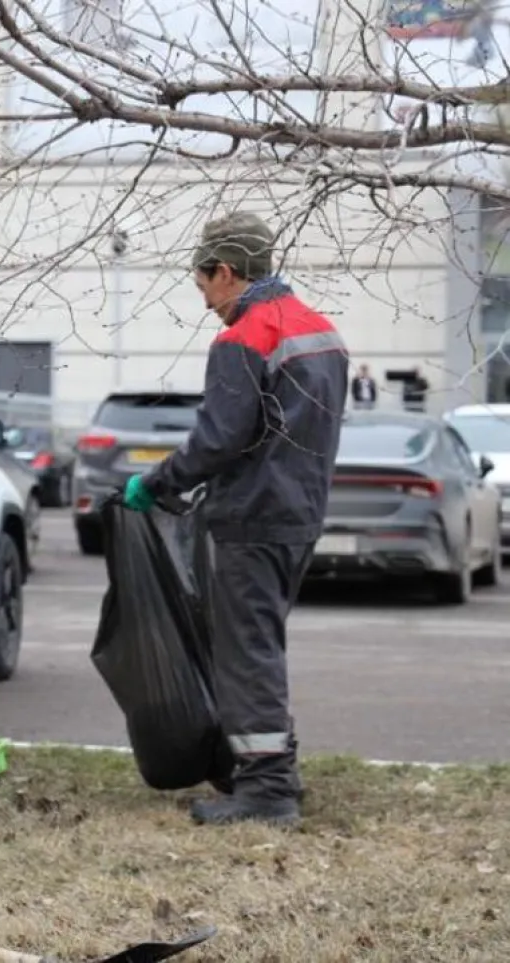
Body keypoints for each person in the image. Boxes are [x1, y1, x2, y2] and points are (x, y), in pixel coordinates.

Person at [122, 212, 349, 827]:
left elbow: (219, 440)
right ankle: (277, 770)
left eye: (203, 288)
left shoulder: (243, 339)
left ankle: (267, 791)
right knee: (263, 643)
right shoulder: (321, 332)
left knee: (246, 653)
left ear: (225, 272)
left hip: (249, 518)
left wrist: (156, 482)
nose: (206, 305)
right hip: (299, 515)